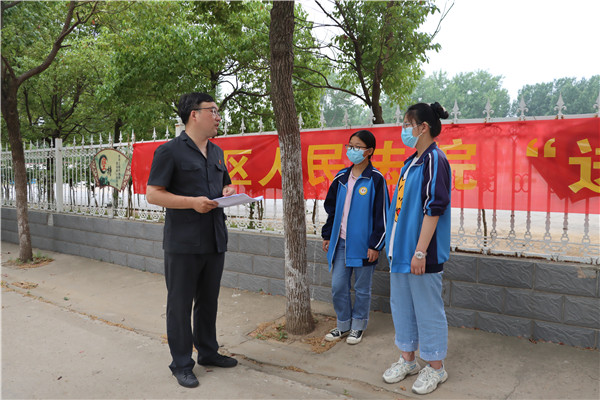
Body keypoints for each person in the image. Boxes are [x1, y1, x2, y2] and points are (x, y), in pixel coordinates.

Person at [146, 92, 237, 388]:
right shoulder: (169, 151)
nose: (218, 116)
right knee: (180, 303)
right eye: (213, 110)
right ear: (194, 114)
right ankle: (181, 363)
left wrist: (229, 190)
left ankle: (208, 352)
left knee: (209, 301)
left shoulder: (217, 152)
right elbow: (153, 193)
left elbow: (224, 184)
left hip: (214, 238)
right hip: (183, 242)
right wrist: (191, 202)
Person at [382, 102, 451, 395]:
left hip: (422, 253)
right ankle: (408, 359)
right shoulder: (412, 162)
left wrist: (420, 251)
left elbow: (434, 208)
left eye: (408, 124)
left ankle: (436, 367)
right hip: (401, 252)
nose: (404, 129)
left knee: (427, 309)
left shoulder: (436, 160)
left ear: (423, 128)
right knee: (402, 308)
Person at [321, 130, 389, 345]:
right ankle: (343, 324)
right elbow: (331, 208)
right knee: (338, 286)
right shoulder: (341, 177)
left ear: (369, 151)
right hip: (340, 242)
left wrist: (375, 245)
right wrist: (327, 235)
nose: (352, 150)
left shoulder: (376, 179)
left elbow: (383, 216)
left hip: (363, 245)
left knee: (362, 288)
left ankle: (358, 326)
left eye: (358, 147)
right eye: (350, 145)